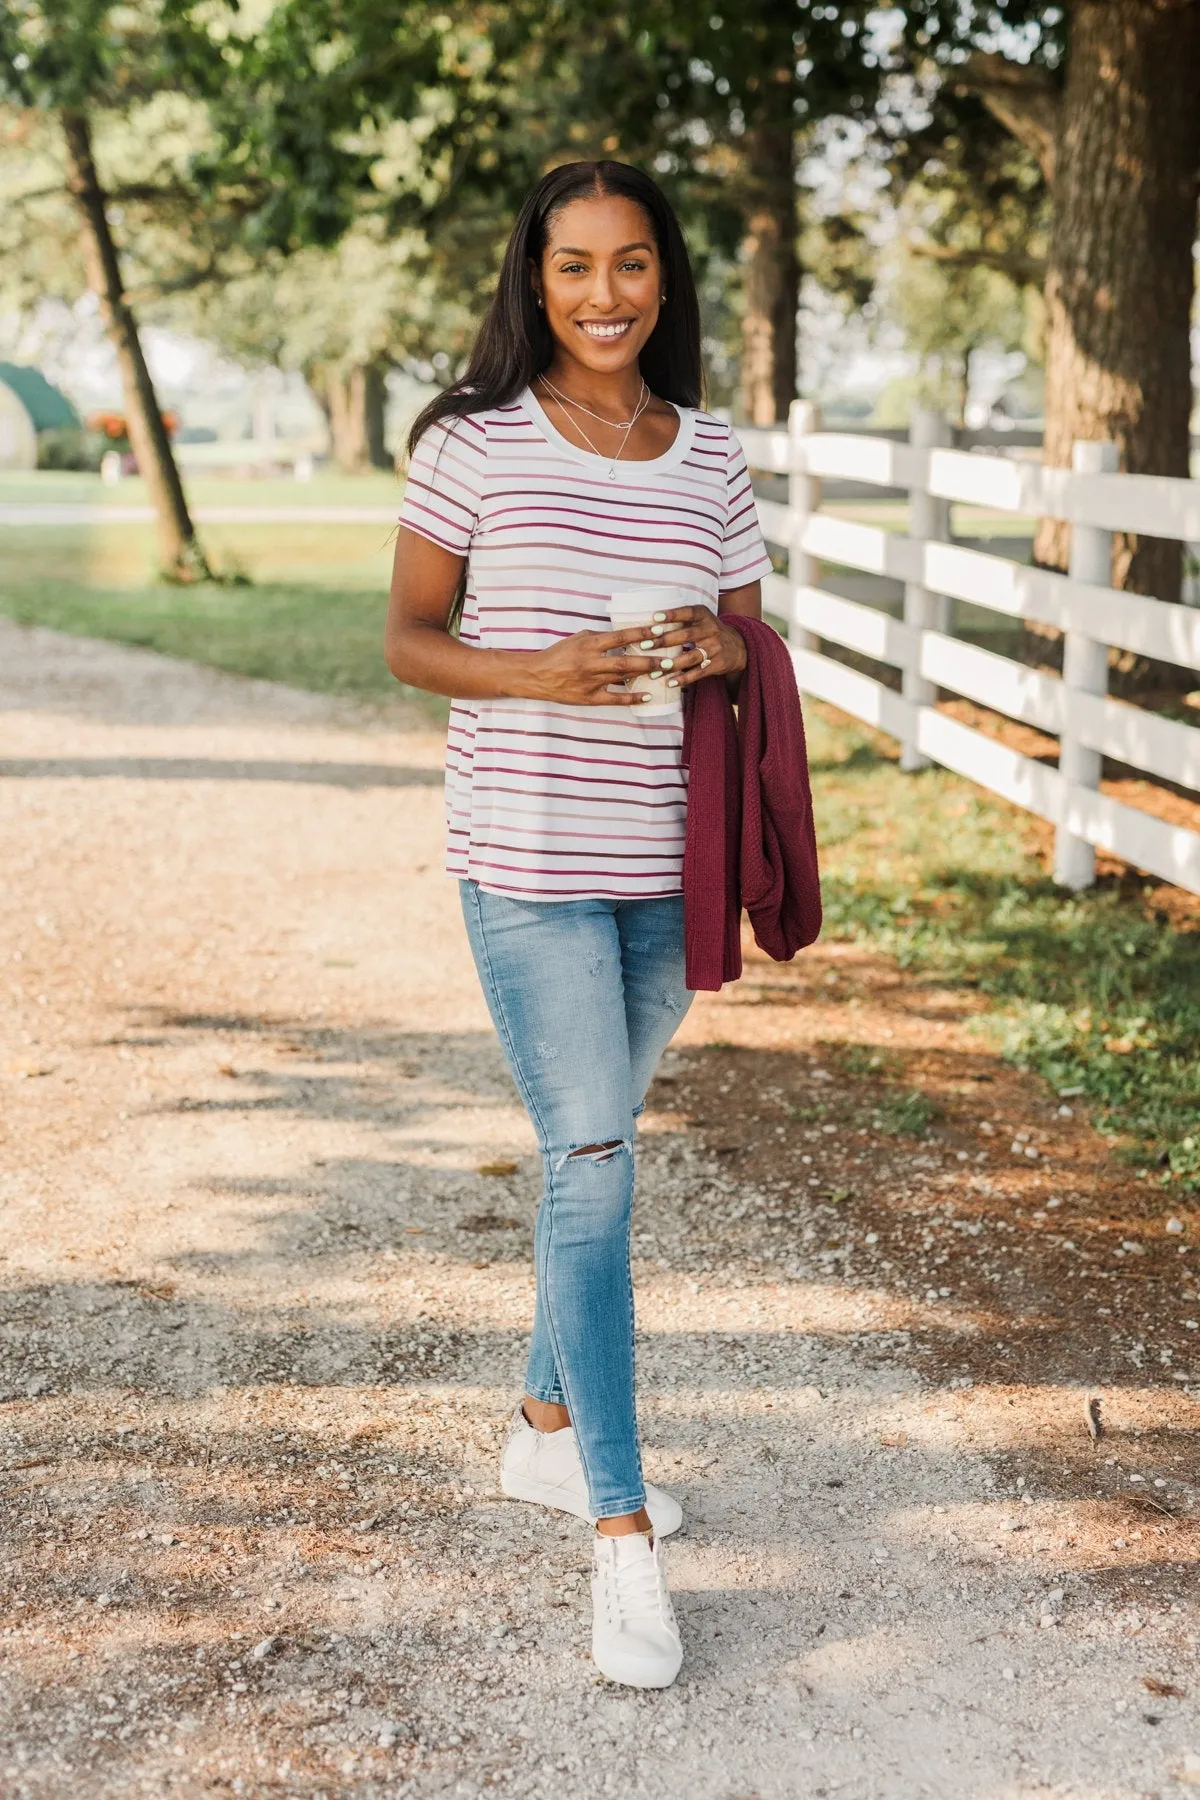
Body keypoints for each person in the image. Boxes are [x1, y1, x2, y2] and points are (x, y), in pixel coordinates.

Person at [385, 159, 774, 1689]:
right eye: (572, 269)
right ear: (531, 281)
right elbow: (413, 643)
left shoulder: (711, 454)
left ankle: (545, 1432)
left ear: (663, 281)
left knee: (588, 1159)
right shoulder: (469, 445)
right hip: (530, 863)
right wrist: (539, 672)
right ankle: (622, 1537)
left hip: (665, 869)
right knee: (596, 1170)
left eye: (630, 267)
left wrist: (720, 645)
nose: (603, 295)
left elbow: (749, 639)